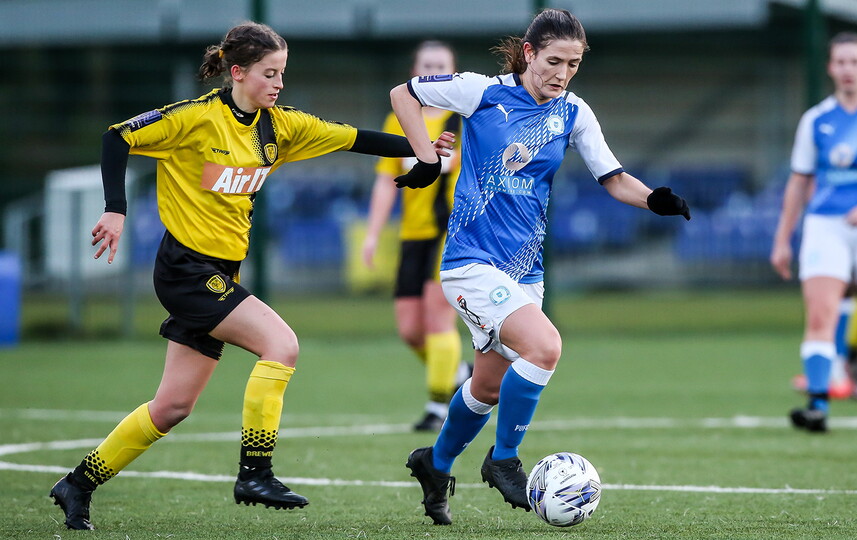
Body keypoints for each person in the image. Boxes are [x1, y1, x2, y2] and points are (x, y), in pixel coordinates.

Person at [48, 22, 453, 531]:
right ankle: (255, 472)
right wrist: (115, 209)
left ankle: (76, 485)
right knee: (281, 345)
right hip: (185, 268)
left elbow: (354, 138)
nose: (279, 83)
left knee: (172, 407)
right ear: (237, 72)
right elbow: (117, 137)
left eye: (282, 73)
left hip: (221, 270)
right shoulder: (195, 119)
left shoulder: (278, 127)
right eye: (269, 73)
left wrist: (422, 151)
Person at [390, 9, 691, 525]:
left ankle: (434, 464)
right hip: (471, 263)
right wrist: (427, 159)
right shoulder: (481, 92)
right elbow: (405, 94)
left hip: (525, 273)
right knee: (546, 346)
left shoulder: (574, 112)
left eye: (574, 64)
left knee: (486, 386)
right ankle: (503, 459)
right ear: (529, 54)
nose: (563, 73)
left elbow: (614, 178)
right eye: (554, 61)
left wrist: (655, 200)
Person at [771, 32, 857, 434]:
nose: (848, 70)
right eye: (840, 62)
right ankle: (817, 406)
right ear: (831, 67)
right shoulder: (816, 119)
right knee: (821, 316)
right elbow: (799, 182)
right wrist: (783, 239)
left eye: (855, 62)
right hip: (825, 225)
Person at [363, 41, 469, 432]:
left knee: (438, 318)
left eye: (442, 66)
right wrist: (372, 235)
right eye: (427, 65)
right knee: (410, 329)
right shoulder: (400, 118)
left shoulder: (465, 119)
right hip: (413, 234)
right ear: (415, 73)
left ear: (454, 74)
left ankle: (439, 407)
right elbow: (385, 183)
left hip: (451, 231)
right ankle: (458, 371)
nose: (435, 71)